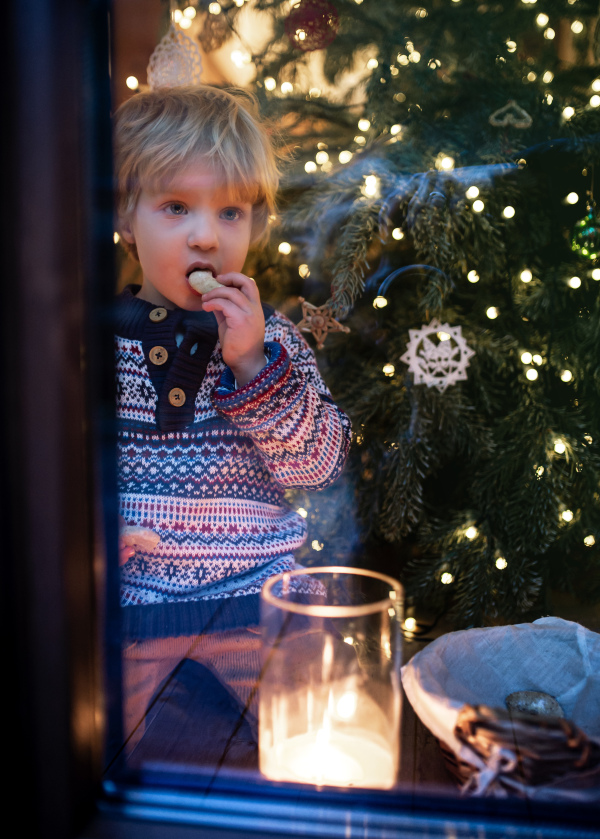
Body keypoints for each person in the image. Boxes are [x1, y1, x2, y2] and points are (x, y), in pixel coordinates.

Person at [112, 85, 352, 752]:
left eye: (230, 211)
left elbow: (321, 462)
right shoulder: (98, 342)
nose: (206, 235)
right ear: (126, 219)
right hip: (137, 602)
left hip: (258, 594)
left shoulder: (274, 341)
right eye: (176, 206)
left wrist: (252, 368)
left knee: (323, 725)